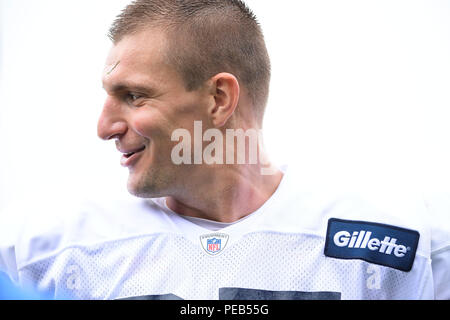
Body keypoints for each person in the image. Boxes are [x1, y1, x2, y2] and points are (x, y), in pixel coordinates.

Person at [0, 0, 449, 300]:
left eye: (134, 96)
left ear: (218, 99)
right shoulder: (41, 253)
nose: (104, 127)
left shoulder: (404, 240)